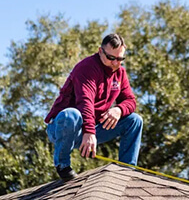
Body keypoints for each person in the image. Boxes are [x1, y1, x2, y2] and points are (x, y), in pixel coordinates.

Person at [44, 33, 143, 181]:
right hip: (64, 128)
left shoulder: (120, 72)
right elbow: (85, 102)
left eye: (120, 59)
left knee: (134, 120)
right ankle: (63, 165)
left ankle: (126, 170)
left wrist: (119, 109)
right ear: (100, 51)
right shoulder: (86, 68)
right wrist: (89, 132)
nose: (116, 63)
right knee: (71, 115)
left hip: (93, 128)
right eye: (111, 58)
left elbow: (130, 101)